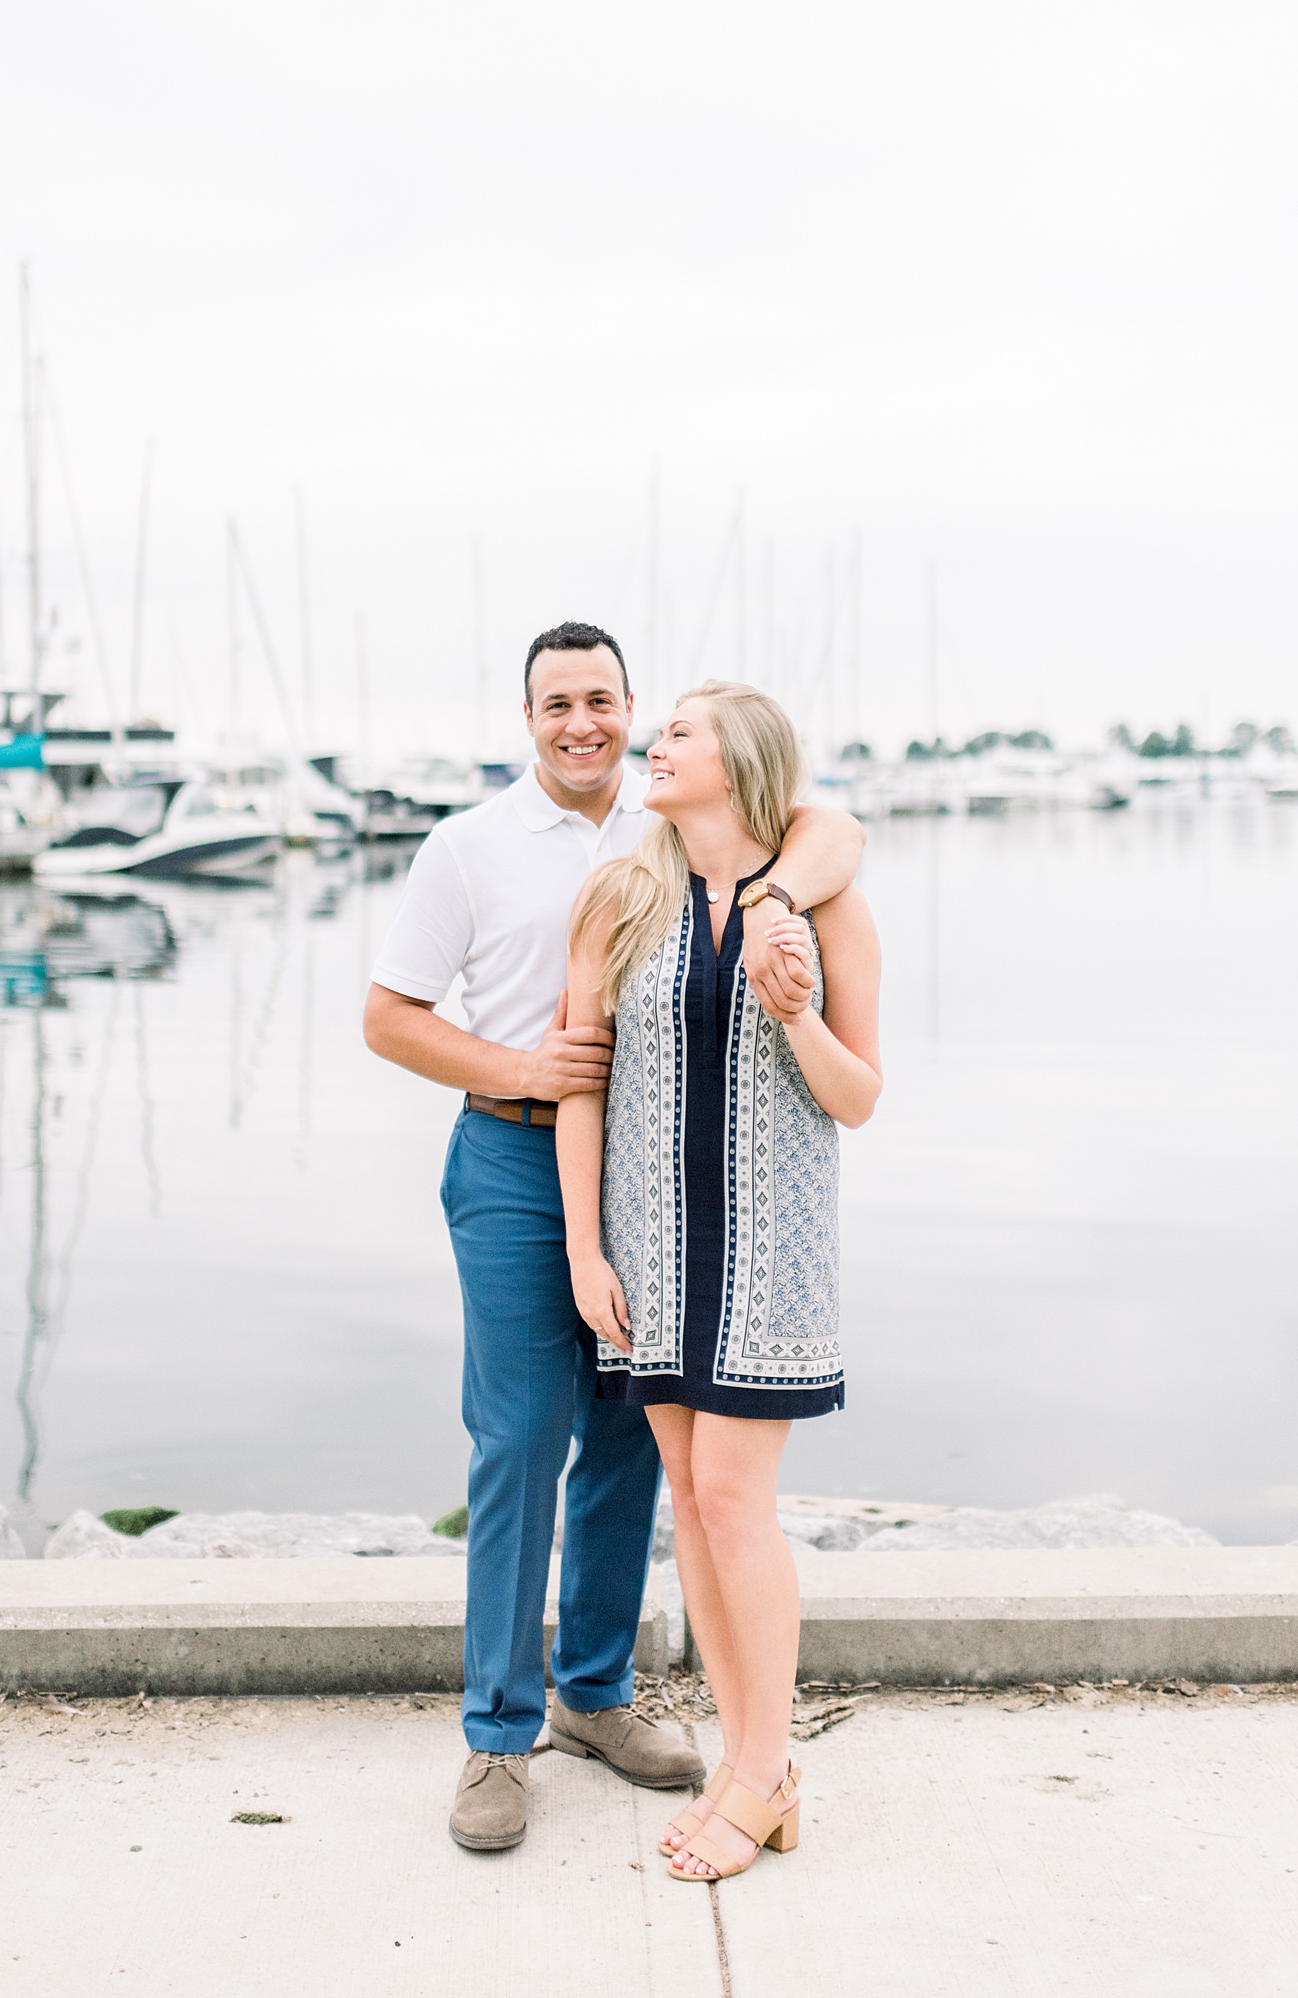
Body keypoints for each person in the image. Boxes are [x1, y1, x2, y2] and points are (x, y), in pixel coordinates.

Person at [364, 623, 866, 1853]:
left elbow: (831, 830)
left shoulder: (691, 836)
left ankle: (594, 1696)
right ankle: (498, 1734)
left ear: (633, 712)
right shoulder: (472, 847)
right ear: (526, 718)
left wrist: (783, 911)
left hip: (664, 1183)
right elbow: (388, 1018)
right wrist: (524, 1063)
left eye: (602, 700)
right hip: (517, 1154)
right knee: (523, 1436)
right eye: (555, 703)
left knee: (643, 1455)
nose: (580, 721)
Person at [558, 679, 882, 1885]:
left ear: (740, 762)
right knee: (688, 1503)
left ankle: (762, 1770)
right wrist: (587, 1249)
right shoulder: (618, 899)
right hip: (648, 1250)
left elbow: (858, 1097)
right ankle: (760, 1770)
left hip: (770, 1251)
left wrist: (794, 1010)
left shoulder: (823, 902)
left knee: (737, 1502)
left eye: (681, 732)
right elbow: (581, 1083)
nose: (656, 743)